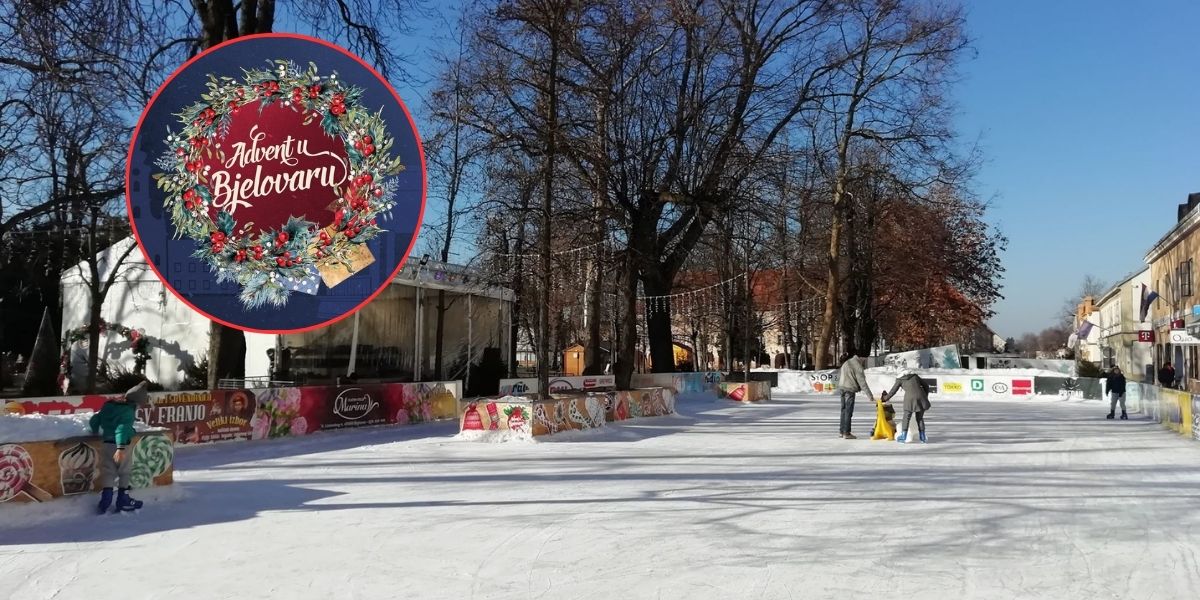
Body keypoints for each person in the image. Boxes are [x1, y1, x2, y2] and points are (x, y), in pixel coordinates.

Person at [89, 380, 150, 513]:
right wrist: (120, 448)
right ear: (136, 402)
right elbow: (121, 429)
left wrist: (94, 430)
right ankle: (123, 499)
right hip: (121, 446)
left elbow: (95, 420)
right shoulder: (128, 412)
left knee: (108, 471)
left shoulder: (108, 406)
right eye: (140, 405)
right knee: (125, 472)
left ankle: (106, 498)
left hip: (106, 443)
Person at [883, 370, 932, 443]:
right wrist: (925, 396)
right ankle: (923, 437)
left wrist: (884, 398)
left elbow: (893, 391)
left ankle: (903, 436)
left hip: (909, 399)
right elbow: (926, 386)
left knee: (906, 417)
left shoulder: (899, 379)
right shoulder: (915, 376)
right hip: (921, 398)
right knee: (920, 418)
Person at [837, 351, 874, 439]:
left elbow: (840, 375)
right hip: (849, 389)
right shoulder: (857, 366)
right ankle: (847, 432)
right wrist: (870, 395)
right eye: (865, 359)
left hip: (842, 388)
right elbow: (862, 382)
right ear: (861, 358)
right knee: (848, 412)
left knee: (843, 410)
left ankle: (842, 431)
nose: (864, 361)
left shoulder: (847, 362)